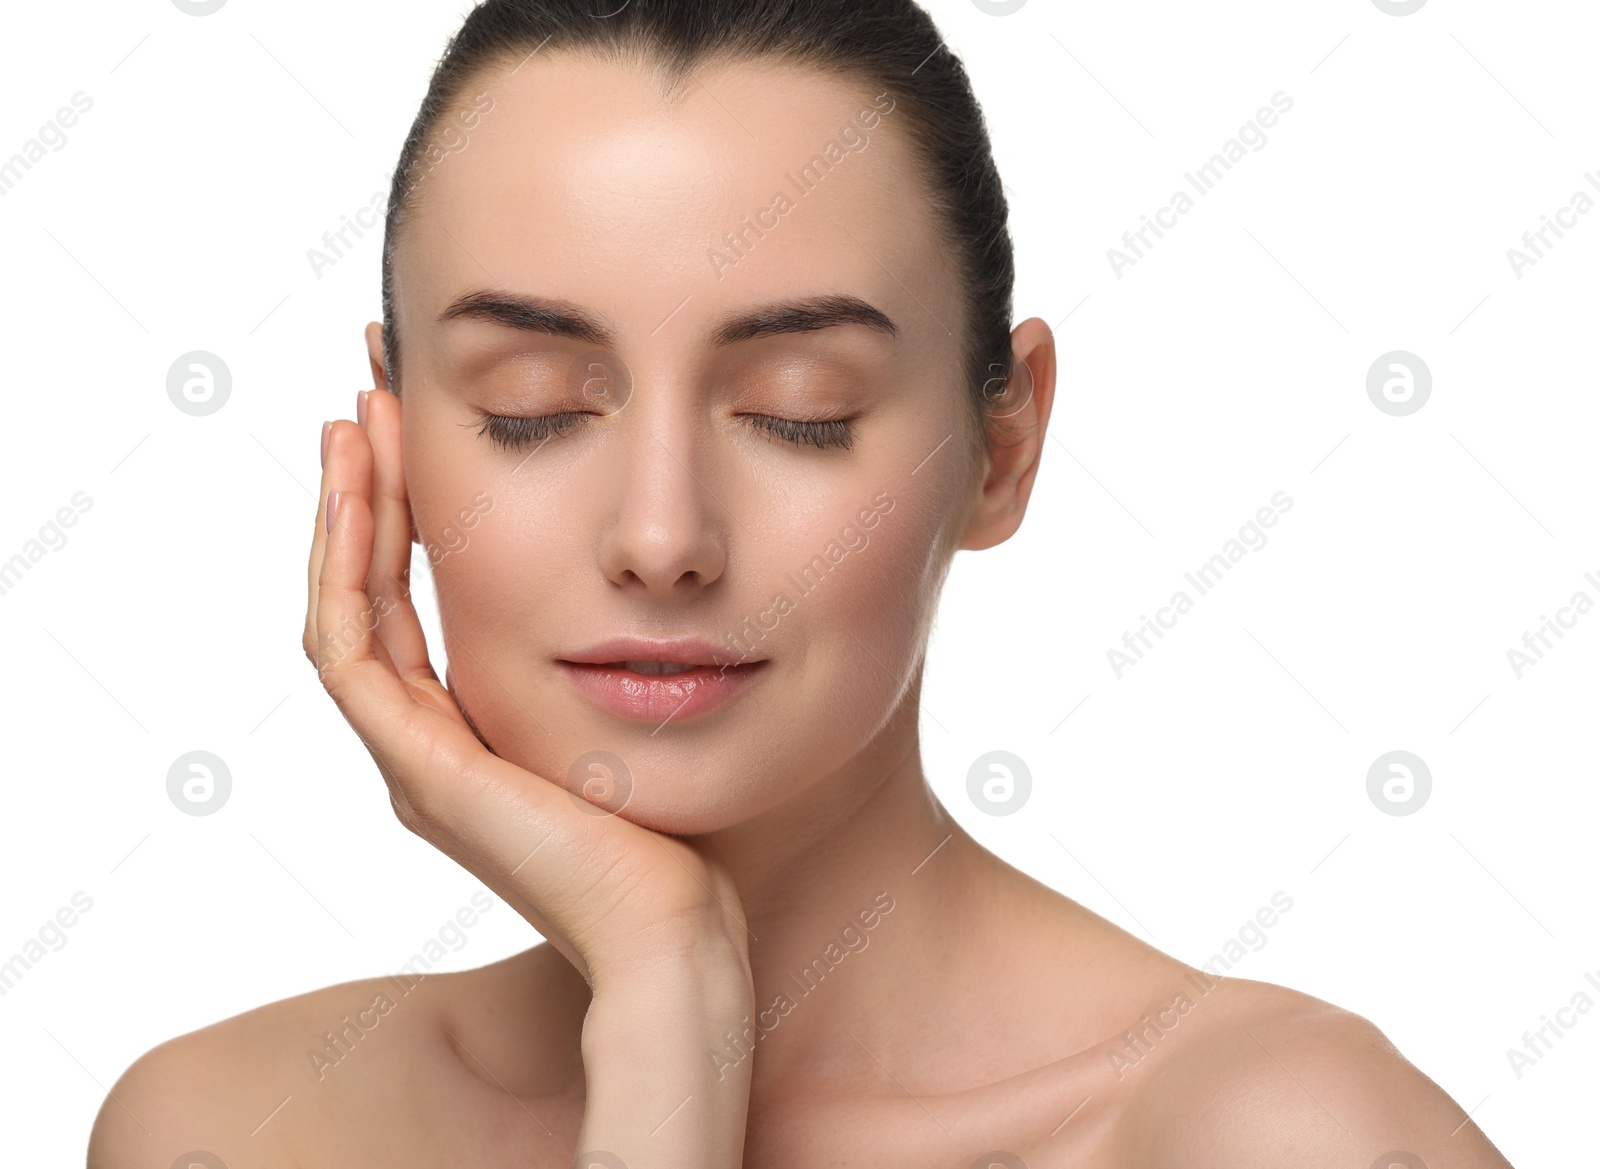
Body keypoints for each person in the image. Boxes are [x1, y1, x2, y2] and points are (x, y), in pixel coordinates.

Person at [89, 2, 1515, 1166]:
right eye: (530, 406)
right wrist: (665, 995)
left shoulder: (1271, 1134)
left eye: (796, 408)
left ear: (1000, 445)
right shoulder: (231, 1130)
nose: (661, 535)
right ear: (390, 441)